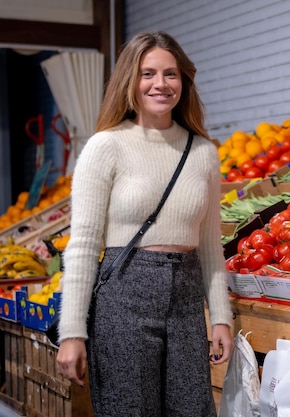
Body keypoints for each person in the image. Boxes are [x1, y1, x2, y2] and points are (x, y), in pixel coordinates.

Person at [55, 31, 234, 416]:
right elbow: (83, 245)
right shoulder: (106, 146)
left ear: (184, 81)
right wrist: (72, 333)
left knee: (193, 410)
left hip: (186, 303)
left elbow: (209, 247)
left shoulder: (202, 152)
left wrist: (220, 317)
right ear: (130, 81)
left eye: (170, 74)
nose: (160, 84)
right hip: (124, 298)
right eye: (147, 73)